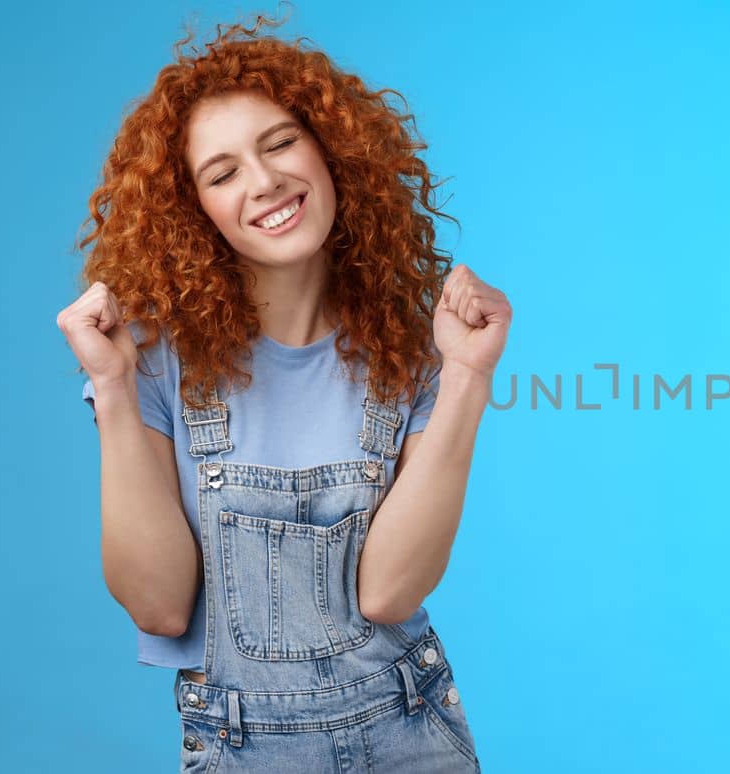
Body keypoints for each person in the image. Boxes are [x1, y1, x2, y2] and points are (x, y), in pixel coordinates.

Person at [54, 14, 509, 773]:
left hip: (410, 734)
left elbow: (389, 594)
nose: (264, 182)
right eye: (222, 172)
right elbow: (158, 604)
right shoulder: (153, 363)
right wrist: (113, 390)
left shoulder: (417, 350)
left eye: (280, 143)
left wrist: (467, 375)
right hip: (240, 746)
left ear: (333, 154)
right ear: (192, 209)